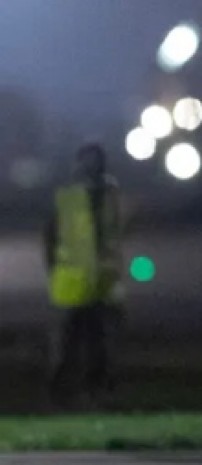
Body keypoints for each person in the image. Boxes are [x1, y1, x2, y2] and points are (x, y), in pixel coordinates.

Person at [44, 143, 123, 409]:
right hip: (80, 285)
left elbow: (51, 241)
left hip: (91, 284)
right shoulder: (90, 198)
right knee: (78, 344)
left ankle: (83, 392)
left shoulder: (98, 198)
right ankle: (73, 392)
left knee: (90, 345)